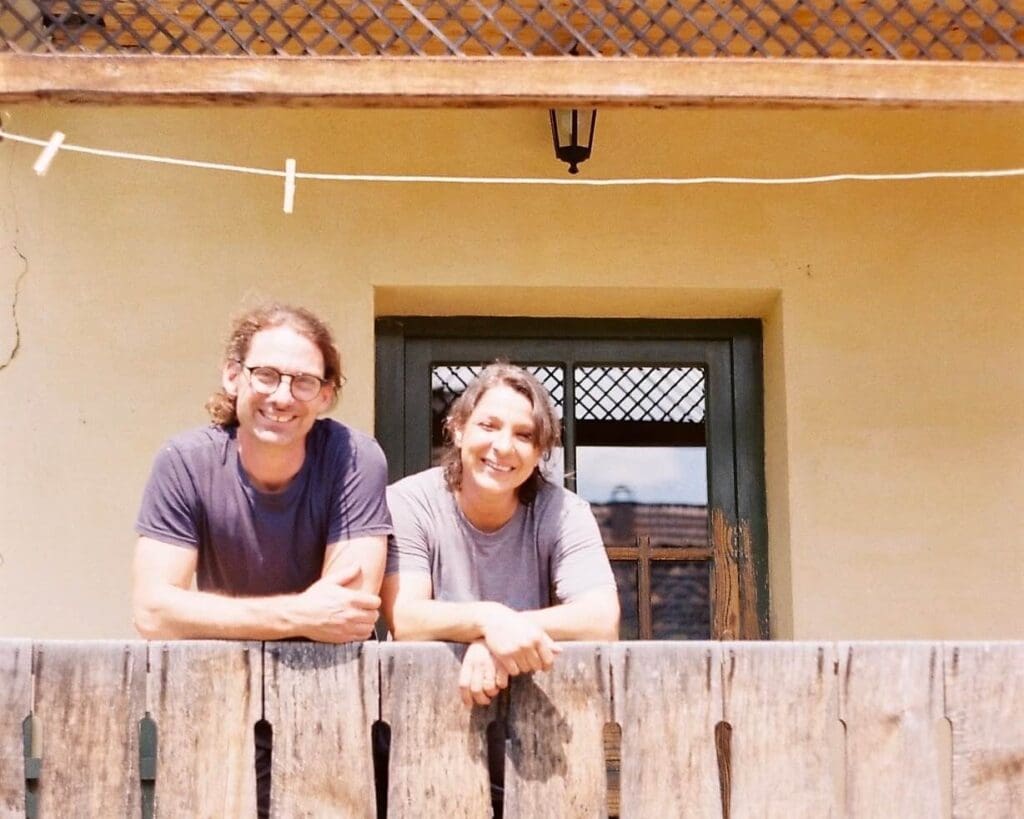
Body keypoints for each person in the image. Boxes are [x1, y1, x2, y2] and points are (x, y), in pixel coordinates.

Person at [133, 303, 392, 816]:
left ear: (325, 395)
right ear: (233, 376)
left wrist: (209, 614)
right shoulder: (186, 462)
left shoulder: (354, 459)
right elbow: (152, 612)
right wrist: (298, 615)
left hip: (337, 705)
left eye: (302, 381)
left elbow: (347, 613)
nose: (281, 396)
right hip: (224, 704)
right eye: (266, 374)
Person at [382, 363, 619, 708]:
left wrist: (501, 635)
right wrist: (491, 620)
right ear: (458, 429)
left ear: (541, 451)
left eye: (524, 435)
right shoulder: (409, 502)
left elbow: (602, 619)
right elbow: (406, 618)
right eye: (488, 426)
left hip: (535, 707)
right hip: (419, 703)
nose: (503, 446)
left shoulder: (566, 512)